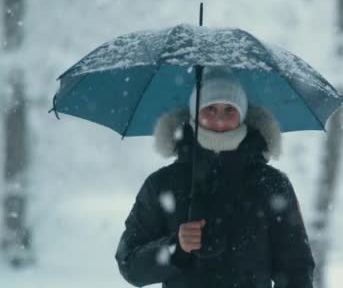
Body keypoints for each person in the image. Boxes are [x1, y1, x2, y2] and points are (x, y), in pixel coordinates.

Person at [115, 68, 315, 288]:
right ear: (194, 113)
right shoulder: (161, 184)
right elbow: (130, 264)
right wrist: (176, 247)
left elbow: (297, 269)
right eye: (210, 109)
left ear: (243, 115)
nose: (220, 120)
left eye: (230, 109)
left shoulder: (271, 184)